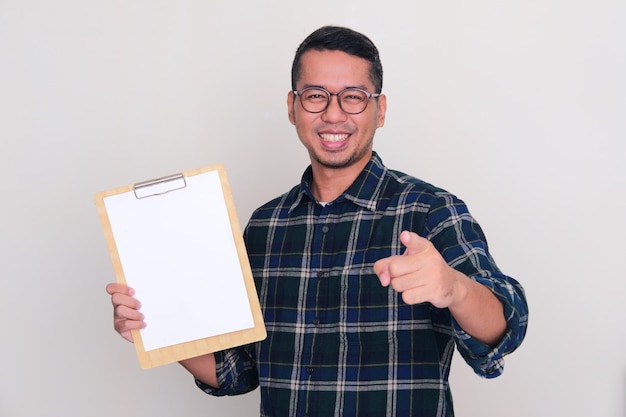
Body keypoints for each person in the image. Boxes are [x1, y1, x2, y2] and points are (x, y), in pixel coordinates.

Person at [106, 25, 528, 417]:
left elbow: (505, 329)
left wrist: (453, 288)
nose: (333, 114)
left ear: (379, 110)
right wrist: (157, 322)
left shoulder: (430, 211)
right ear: (293, 107)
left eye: (353, 96)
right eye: (315, 95)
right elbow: (238, 370)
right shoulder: (265, 227)